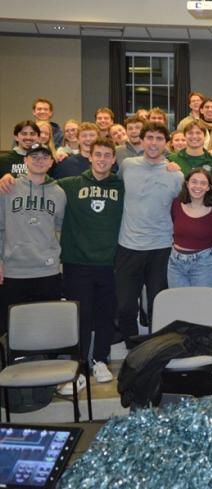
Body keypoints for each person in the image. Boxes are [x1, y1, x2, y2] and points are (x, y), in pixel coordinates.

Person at [57, 137, 124, 384]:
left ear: (114, 159)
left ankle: (101, 360)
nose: (103, 159)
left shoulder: (122, 186)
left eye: (108, 155)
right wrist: (9, 178)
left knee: (106, 316)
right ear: (90, 157)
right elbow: (39, 183)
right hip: (77, 262)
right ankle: (80, 364)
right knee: (81, 316)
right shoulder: (69, 184)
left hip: (110, 263)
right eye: (99, 154)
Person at [116, 123, 184, 340]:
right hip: (129, 246)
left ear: (166, 143)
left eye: (159, 138)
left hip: (161, 247)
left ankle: (157, 348)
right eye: (150, 137)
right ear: (142, 140)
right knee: (126, 305)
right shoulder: (127, 165)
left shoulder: (176, 175)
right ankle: (131, 347)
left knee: (159, 304)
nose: (154, 143)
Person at [0, 144, 66, 340]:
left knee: (46, 326)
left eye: (44, 157)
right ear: (25, 161)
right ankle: (12, 368)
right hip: (14, 270)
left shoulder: (59, 193)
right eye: (34, 156)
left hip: (47, 270)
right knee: (11, 328)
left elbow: (60, 227)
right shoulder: (7, 187)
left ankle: (46, 365)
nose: (39, 160)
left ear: (51, 162)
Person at [168, 168, 212, 288]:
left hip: (203, 263)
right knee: (179, 303)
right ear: (187, 184)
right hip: (175, 263)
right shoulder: (176, 204)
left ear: (209, 187)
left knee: (203, 303)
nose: (198, 186)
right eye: (194, 182)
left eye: (203, 183)